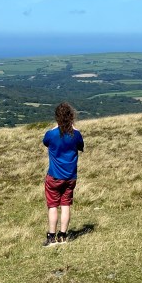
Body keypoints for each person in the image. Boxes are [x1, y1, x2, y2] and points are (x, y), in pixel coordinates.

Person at [42, 102, 84, 246]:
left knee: (53, 206)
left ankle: (51, 237)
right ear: (71, 117)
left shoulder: (51, 134)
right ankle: (63, 236)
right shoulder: (76, 135)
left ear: (57, 118)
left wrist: (55, 127)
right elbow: (81, 146)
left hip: (54, 176)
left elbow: (46, 142)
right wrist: (74, 129)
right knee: (66, 205)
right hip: (70, 177)